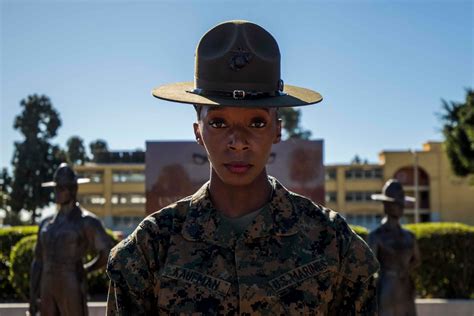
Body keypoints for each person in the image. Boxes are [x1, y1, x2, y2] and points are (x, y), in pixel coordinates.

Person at [106, 20, 379, 315]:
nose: (238, 142)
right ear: (198, 131)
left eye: (257, 122)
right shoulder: (150, 248)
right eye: (218, 122)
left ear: (278, 130)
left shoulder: (333, 243)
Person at [29, 163, 112, 316]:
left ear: (73, 190)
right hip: (46, 284)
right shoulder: (46, 223)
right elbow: (38, 260)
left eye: (62, 188)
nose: (57, 192)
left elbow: (107, 252)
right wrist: (33, 294)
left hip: (70, 282)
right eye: (56, 188)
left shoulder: (87, 221)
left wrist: (86, 269)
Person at [369, 179, 421, 316]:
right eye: (396, 203)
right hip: (386, 288)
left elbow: (417, 260)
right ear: (386, 205)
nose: (401, 206)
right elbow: (369, 268)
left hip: (405, 288)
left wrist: (404, 270)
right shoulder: (376, 236)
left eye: (401, 203)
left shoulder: (409, 236)